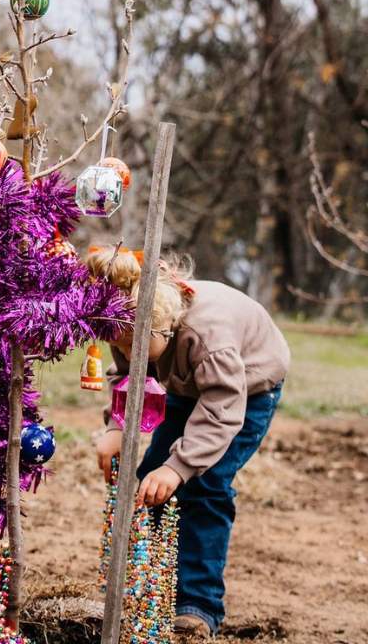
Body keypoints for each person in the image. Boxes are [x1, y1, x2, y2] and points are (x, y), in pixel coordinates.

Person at [88, 245, 289, 638]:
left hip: (244, 391)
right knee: (152, 479)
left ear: (163, 327)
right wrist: (117, 426)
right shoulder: (127, 320)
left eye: (136, 346)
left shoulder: (206, 335)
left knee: (205, 485)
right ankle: (160, 584)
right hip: (185, 386)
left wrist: (179, 467)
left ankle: (198, 602)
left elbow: (221, 407)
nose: (130, 354)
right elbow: (130, 376)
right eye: (123, 346)